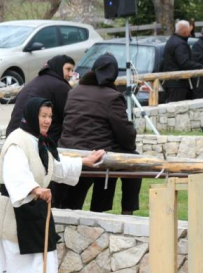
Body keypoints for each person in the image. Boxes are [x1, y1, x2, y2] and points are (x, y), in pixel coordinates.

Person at [0, 97, 104, 273]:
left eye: (50, 117)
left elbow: (56, 167)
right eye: (43, 116)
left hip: (35, 206)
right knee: (20, 258)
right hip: (15, 208)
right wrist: (35, 189)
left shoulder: (40, 142)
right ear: (33, 115)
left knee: (39, 257)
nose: (47, 121)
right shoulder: (17, 142)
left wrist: (85, 162)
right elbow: (15, 174)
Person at [57, 54, 141, 215]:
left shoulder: (74, 92)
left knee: (103, 160)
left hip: (68, 149)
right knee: (133, 161)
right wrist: (129, 145)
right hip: (95, 153)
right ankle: (126, 212)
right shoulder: (112, 97)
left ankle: (78, 210)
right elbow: (125, 134)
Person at [6, 55, 75, 144]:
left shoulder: (36, 81)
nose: (70, 74)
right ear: (58, 67)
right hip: (35, 140)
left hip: (12, 135)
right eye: (68, 69)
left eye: (72, 71)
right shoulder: (60, 86)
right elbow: (69, 118)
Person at [163, 20, 203, 103]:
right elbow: (184, 63)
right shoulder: (180, 44)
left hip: (173, 82)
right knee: (175, 108)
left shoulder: (172, 40)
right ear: (186, 31)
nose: (190, 32)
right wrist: (202, 67)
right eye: (189, 30)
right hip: (178, 83)